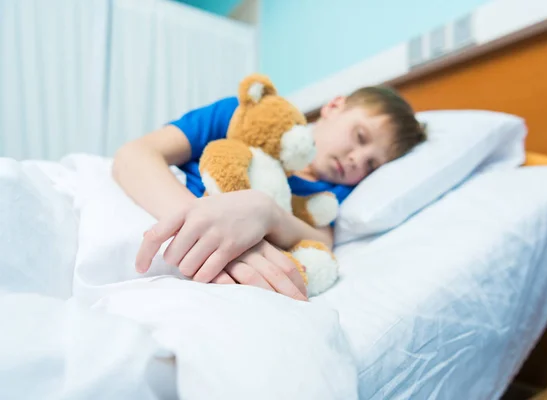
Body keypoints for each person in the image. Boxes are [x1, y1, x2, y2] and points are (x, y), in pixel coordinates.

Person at [112, 85, 426, 301]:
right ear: (334, 106)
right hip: (157, 215)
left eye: (371, 164)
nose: (357, 159)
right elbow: (134, 156)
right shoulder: (244, 114)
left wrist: (266, 212)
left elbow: (321, 238)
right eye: (360, 136)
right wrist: (199, 223)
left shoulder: (333, 192)